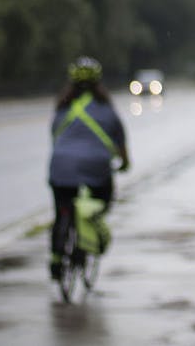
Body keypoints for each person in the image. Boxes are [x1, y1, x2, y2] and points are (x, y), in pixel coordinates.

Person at [48, 56, 130, 280]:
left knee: (61, 211)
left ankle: (56, 259)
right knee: (102, 199)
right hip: (96, 168)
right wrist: (124, 163)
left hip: (60, 166)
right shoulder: (107, 109)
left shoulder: (63, 108)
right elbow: (120, 141)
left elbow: (55, 137)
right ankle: (89, 229)